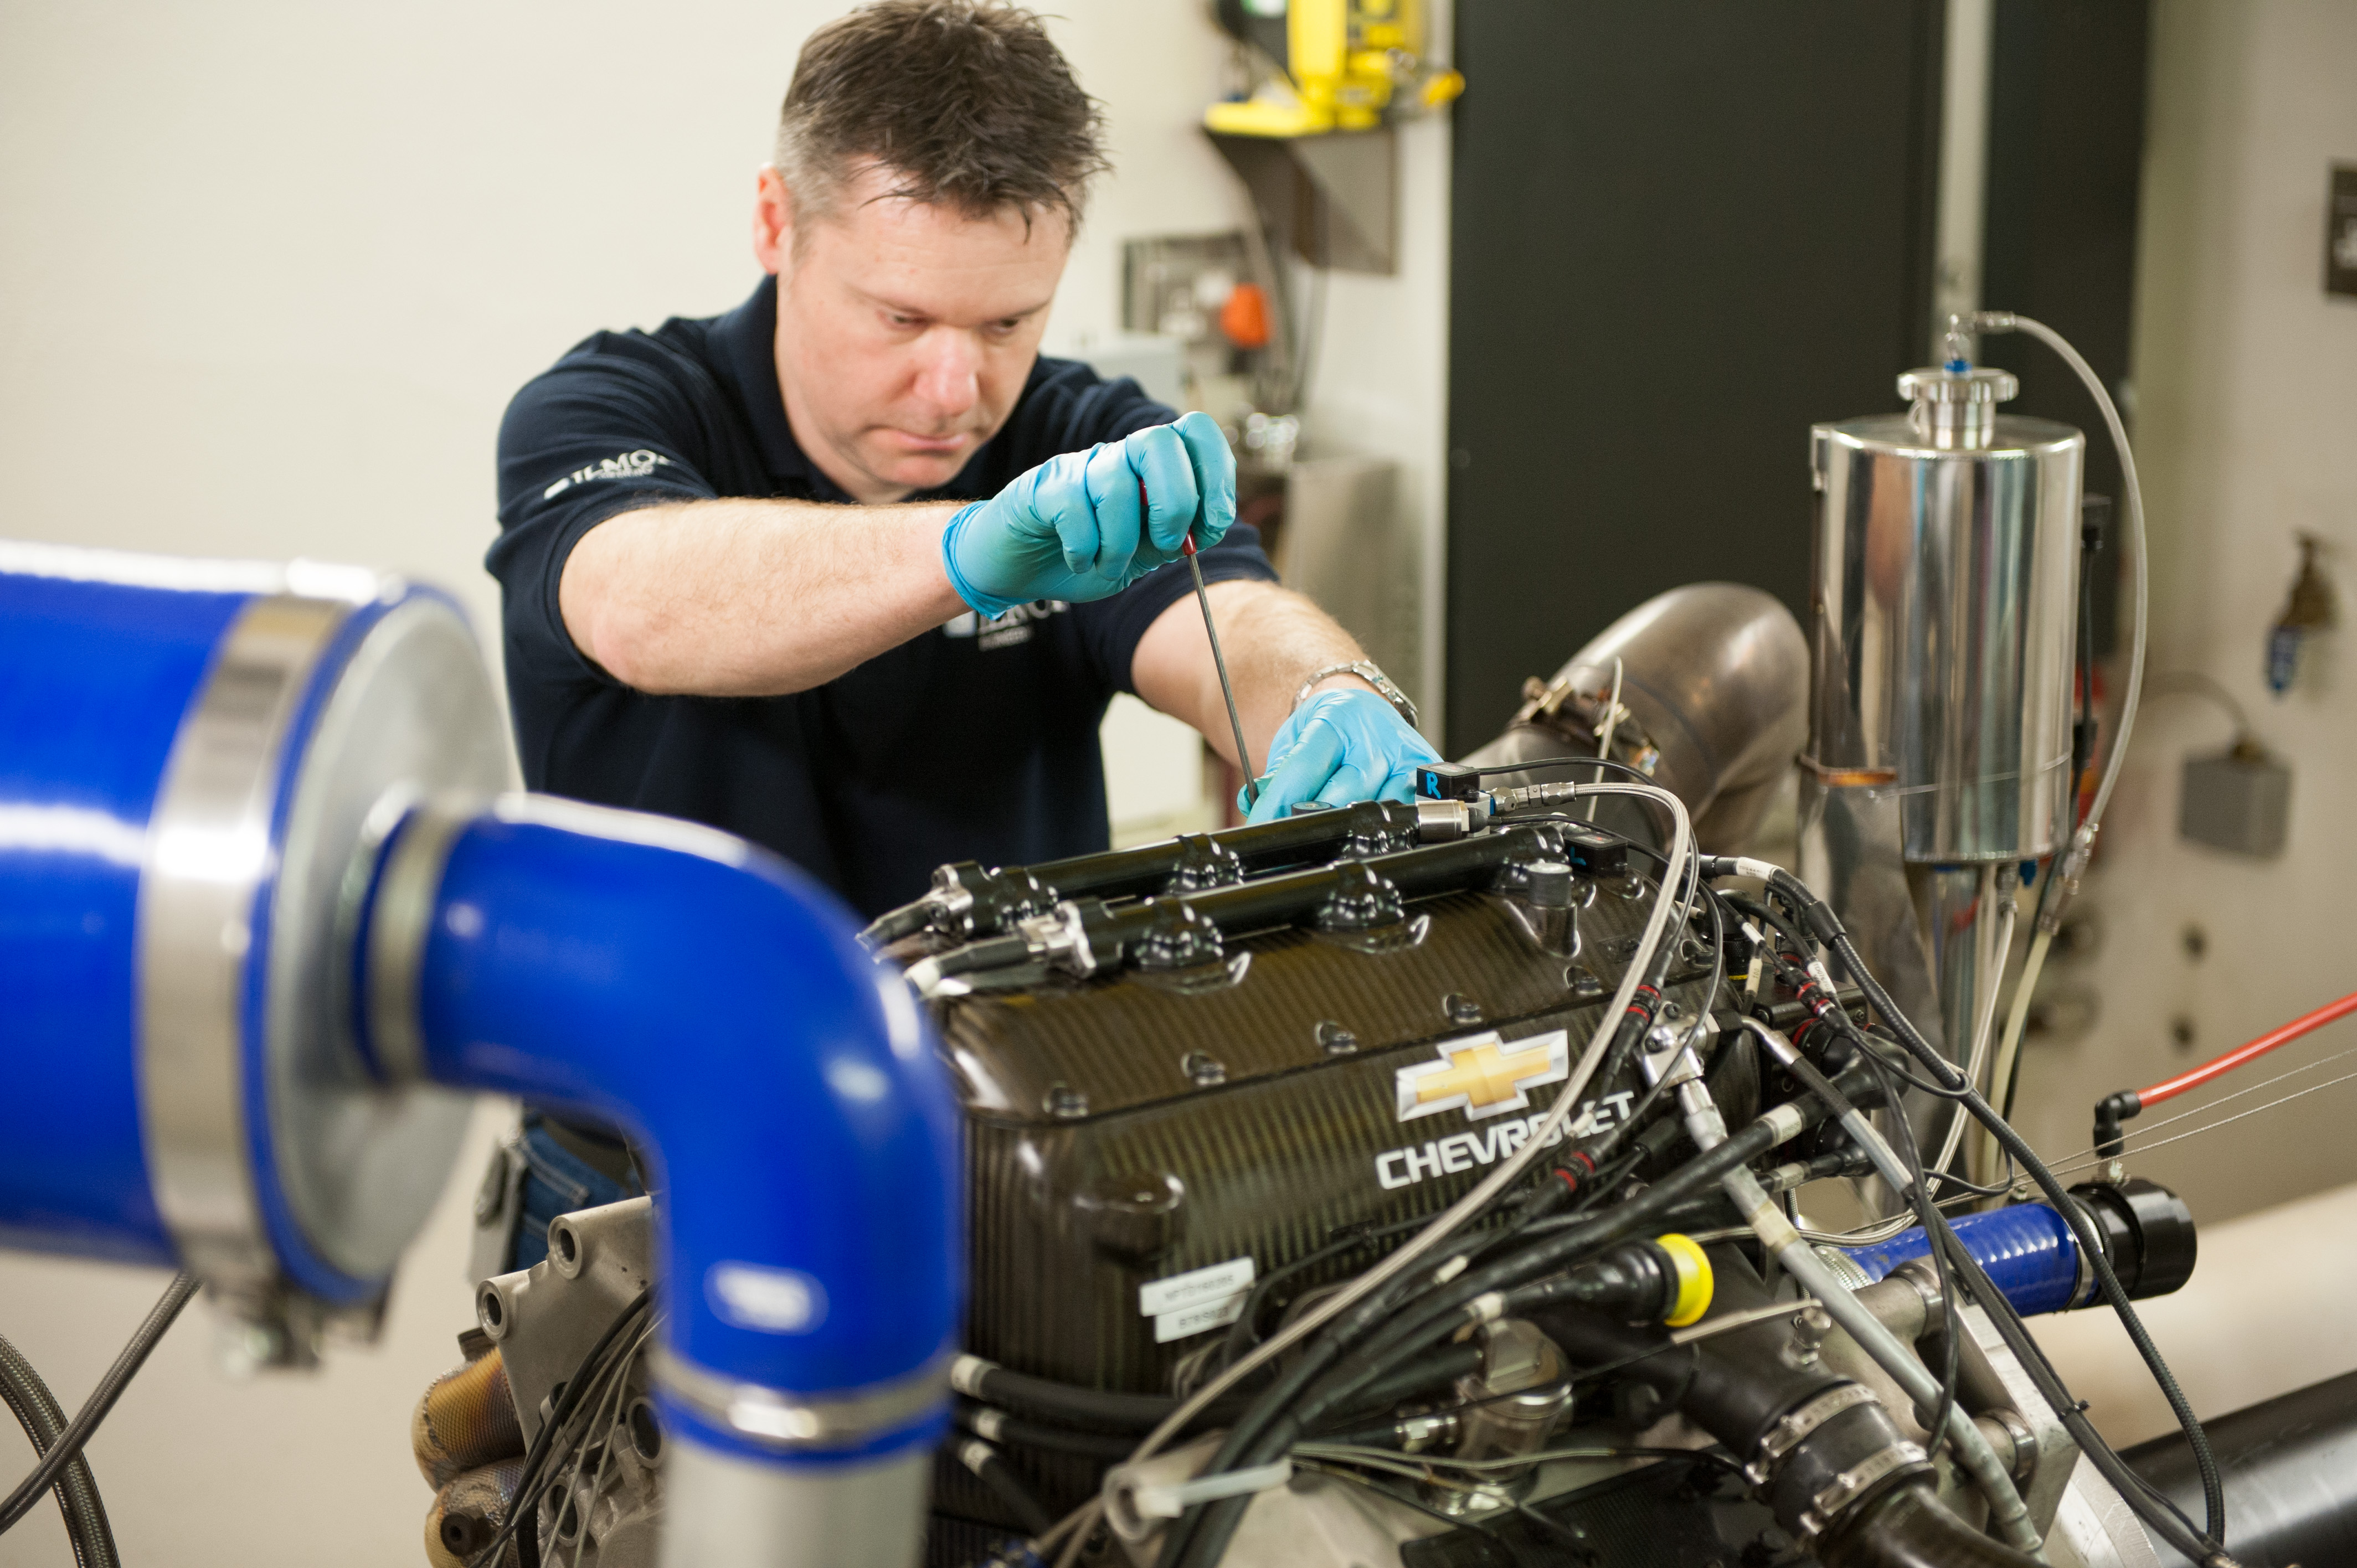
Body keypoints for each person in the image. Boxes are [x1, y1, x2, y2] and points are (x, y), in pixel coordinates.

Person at [480, 0, 1437, 1263]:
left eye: (1005, 325)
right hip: (646, 1193)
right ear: (777, 224)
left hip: (997, 1163)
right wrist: (963, 550)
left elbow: (1222, 619)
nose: (956, 392)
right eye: (899, 319)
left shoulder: (1073, 433)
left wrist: (1325, 688)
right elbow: (640, 602)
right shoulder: (611, 406)